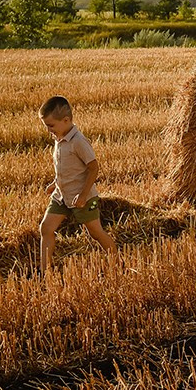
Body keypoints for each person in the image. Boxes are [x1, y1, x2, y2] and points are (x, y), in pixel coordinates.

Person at [38, 95, 116, 272]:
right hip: (61, 196)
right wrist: (54, 183)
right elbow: (66, 168)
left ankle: (116, 262)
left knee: (95, 232)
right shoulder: (59, 138)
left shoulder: (78, 142)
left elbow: (93, 168)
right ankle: (44, 272)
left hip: (83, 198)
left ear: (66, 120)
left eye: (51, 125)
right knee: (46, 228)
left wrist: (82, 195)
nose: (48, 130)